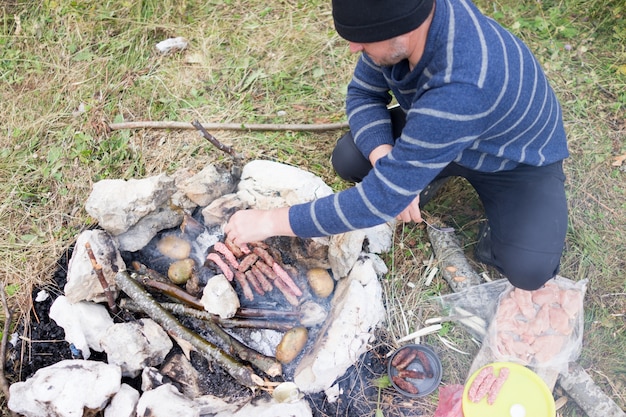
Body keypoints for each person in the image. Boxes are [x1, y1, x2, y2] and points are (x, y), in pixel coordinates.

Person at [225, 0, 569, 291]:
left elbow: (377, 203)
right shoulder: (404, 17)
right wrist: (386, 158)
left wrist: (268, 222)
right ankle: (418, 169)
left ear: (401, 32)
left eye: (362, 41)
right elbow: (362, 94)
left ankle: (500, 228)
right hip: (437, 127)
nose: (354, 48)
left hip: (510, 159)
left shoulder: (464, 82)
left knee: (529, 270)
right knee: (350, 158)